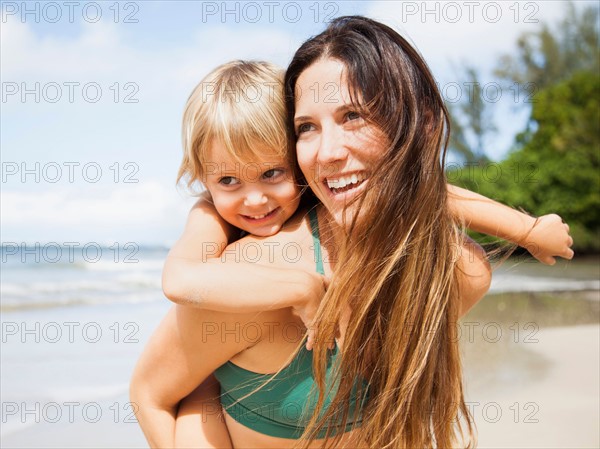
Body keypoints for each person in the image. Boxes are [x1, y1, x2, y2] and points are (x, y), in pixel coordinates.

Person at [130, 23, 574, 448]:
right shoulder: (245, 276)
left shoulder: (454, 272)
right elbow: (154, 387)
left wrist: (530, 229)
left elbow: (425, 192)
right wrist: (298, 286)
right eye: (308, 127)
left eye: (354, 116)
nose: (328, 151)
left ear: (420, 125)